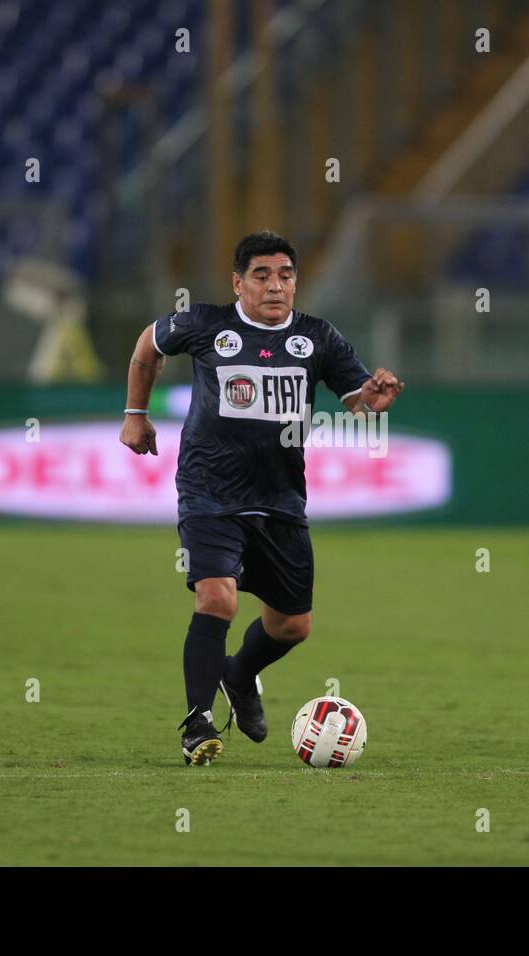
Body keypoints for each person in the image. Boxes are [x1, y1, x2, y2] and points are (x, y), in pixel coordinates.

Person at [120, 231, 405, 765]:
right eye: (262, 275)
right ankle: (197, 722)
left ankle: (240, 672)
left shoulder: (317, 337)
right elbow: (146, 348)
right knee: (217, 598)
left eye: (286, 275)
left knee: (291, 625)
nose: (276, 286)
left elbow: (359, 400)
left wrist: (374, 400)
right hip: (209, 492)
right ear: (238, 282)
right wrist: (136, 414)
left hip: (279, 500)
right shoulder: (205, 324)